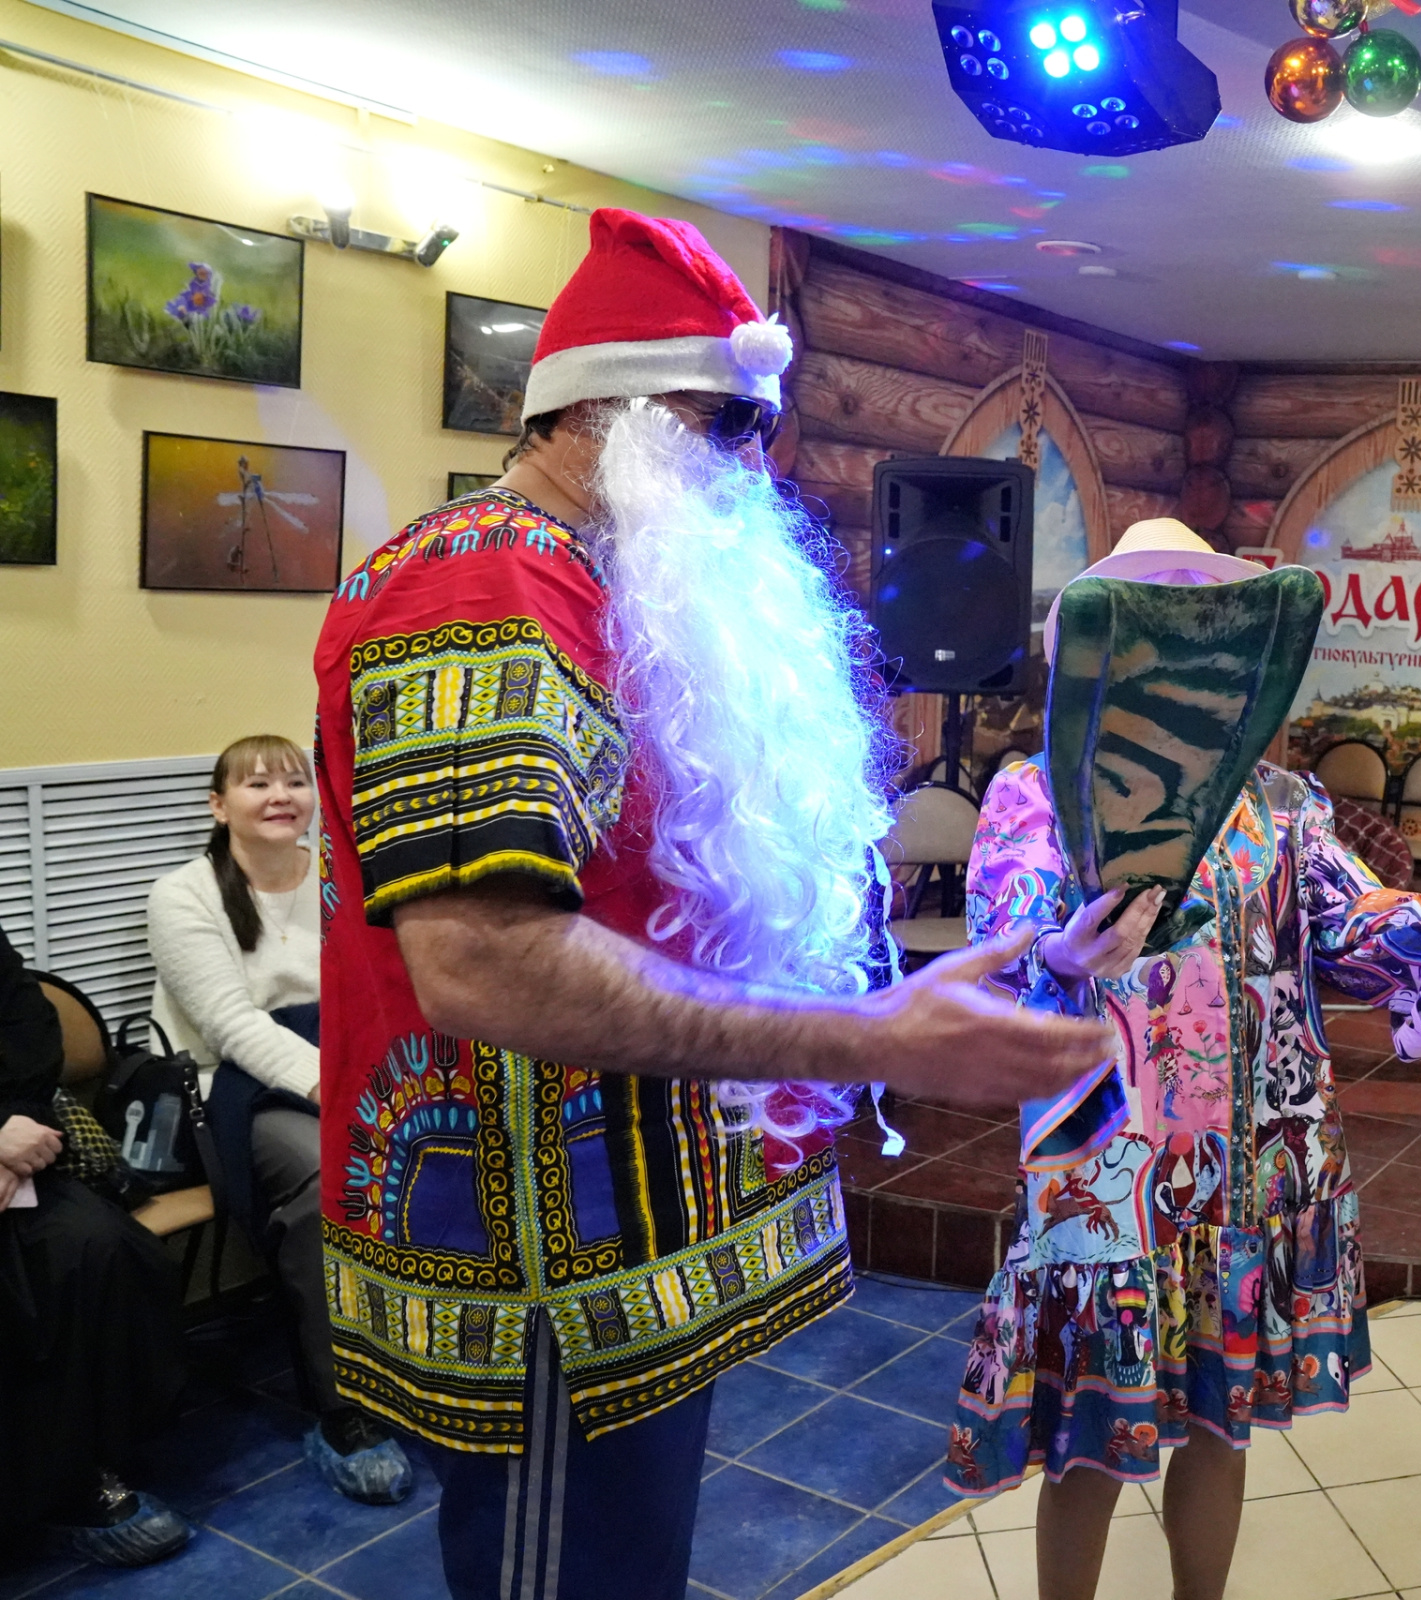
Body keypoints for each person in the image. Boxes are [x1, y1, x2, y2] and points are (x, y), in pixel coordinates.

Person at [312, 207, 1108, 1600]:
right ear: (595, 412)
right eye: (723, 423)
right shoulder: (482, 586)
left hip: (612, 1246)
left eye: (762, 427)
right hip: (536, 1265)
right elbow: (483, 961)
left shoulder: (600, 578)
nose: (756, 463)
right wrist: (870, 1039)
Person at [942, 520, 1421, 1600]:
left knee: (1219, 1424)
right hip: (1110, 1176)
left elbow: (1359, 924)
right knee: (1089, 1441)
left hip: (1256, 1168)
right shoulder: (1039, 793)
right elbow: (1004, 938)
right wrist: (1062, 950)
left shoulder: (1281, 805)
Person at [147, 734, 412, 1503]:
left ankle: (432, 1356)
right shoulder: (184, 894)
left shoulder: (338, 874)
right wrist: (341, 1095)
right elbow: (233, 1028)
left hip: (345, 1061)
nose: (279, 797)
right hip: (234, 1086)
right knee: (333, 1176)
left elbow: (382, 990)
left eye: (294, 781)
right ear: (218, 805)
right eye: (257, 784)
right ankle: (343, 1409)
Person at [0, 926, 190, 1568]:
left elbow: (29, 1031)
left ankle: (80, 1471)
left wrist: (12, 1131)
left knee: (96, 1245)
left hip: (10, 1155)